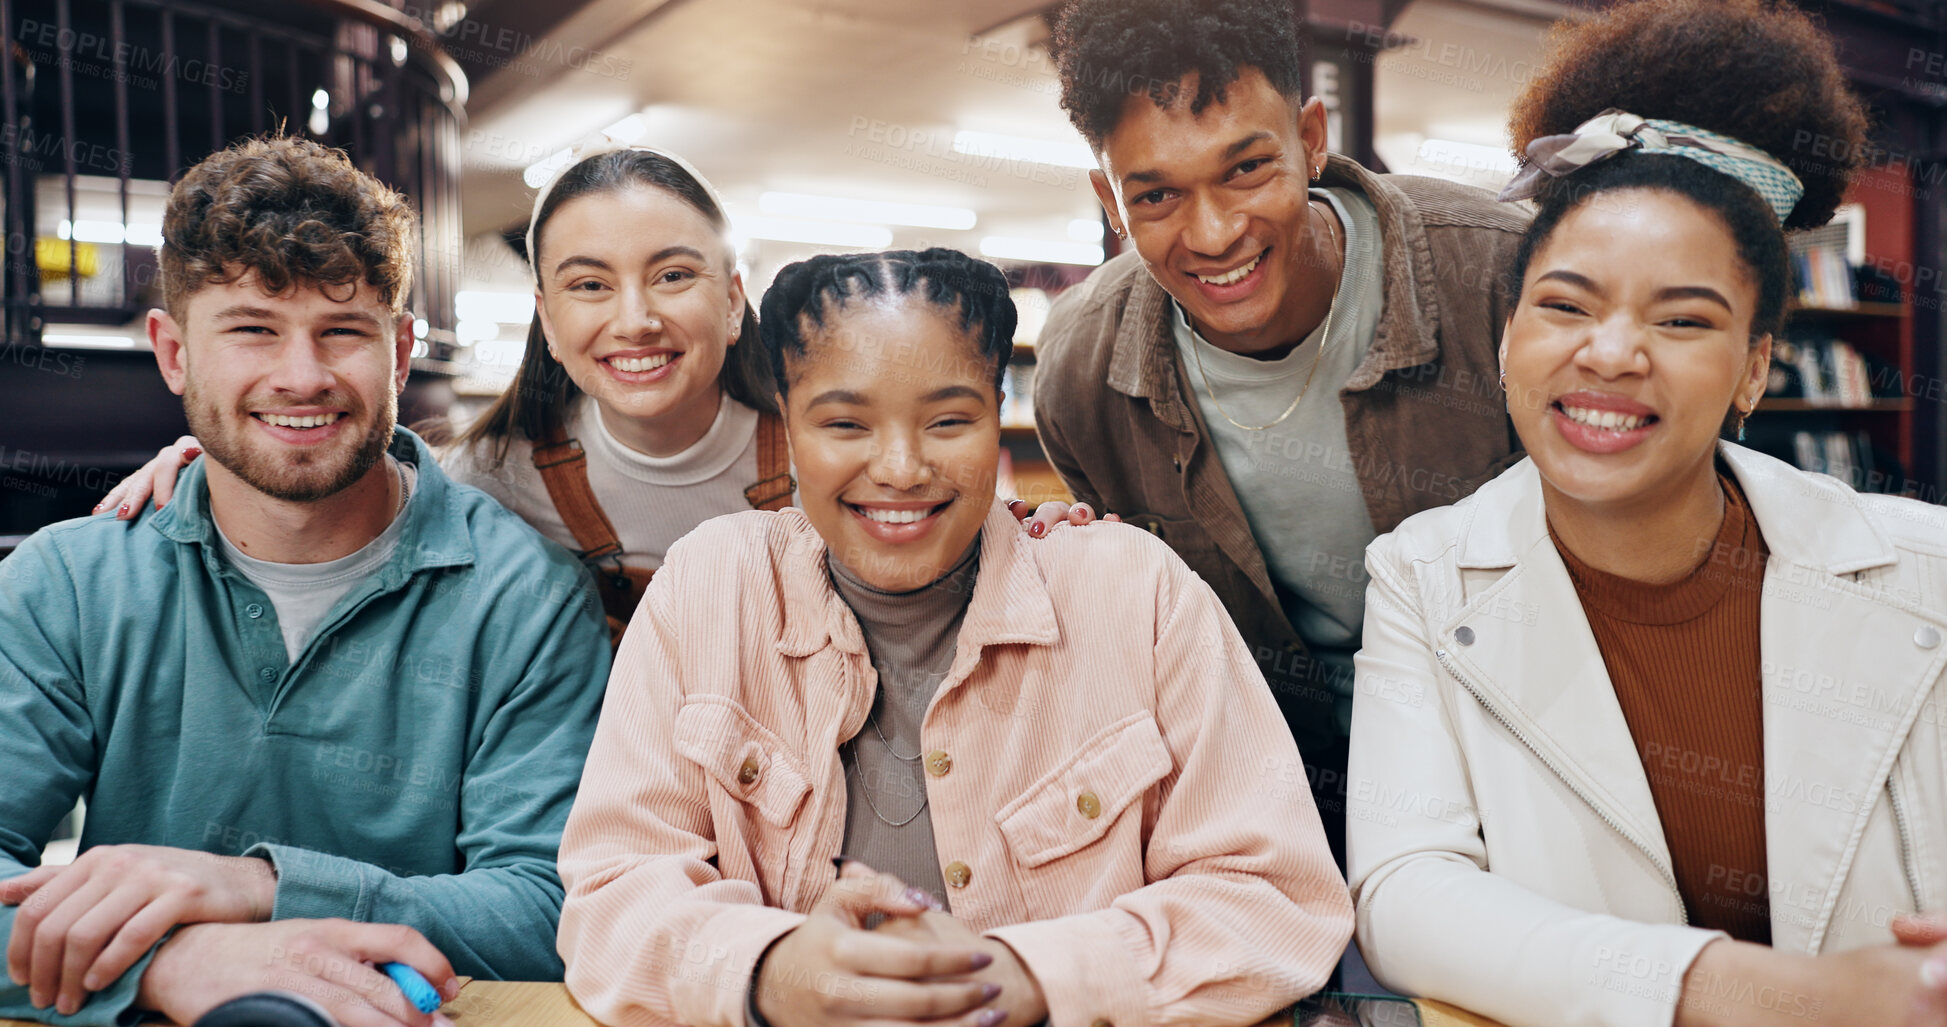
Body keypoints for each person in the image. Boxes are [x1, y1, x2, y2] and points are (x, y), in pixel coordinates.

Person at [554, 248, 1352, 1027]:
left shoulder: (1135, 593)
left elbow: (1274, 897)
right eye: (843, 422)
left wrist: (1034, 976)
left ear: (997, 409)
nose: (900, 467)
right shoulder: (708, 589)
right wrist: (768, 968)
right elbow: (613, 890)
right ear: (784, 424)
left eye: (947, 420)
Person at [1345, 3, 1947, 1025]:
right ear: (1506, 341)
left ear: (1756, 367)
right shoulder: (1423, 572)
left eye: (1682, 319)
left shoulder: (1921, 564)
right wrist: (1772, 993)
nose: (1612, 353)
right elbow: (1406, 895)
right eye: (1567, 306)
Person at [0, 136, 610, 1027]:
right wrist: (170, 964)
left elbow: (548, 911)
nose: (302, 376)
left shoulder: (527, 595)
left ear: (400, 352)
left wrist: (256, 886)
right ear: (174, 353)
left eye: (343, 331)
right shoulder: (68, 581)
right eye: (251, 328)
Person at [100, 144, 1087, 643]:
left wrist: (1039, 535)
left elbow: (949, 512)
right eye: (587, 284)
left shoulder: (837, 443)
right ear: (544, 311)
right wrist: (210, 470)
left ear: (735, 297)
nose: (634, 319)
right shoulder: (491, 475)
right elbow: (348, 495)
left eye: (672, 275)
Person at [1030, 0, 1528, 859]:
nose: (1215, 232)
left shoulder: (1500, 277)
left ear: (1309, 138)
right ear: (1108, 201)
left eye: (1246, 169)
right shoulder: (1080, 374)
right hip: (1276, 804)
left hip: (1520, 776)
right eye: (1154, 194)